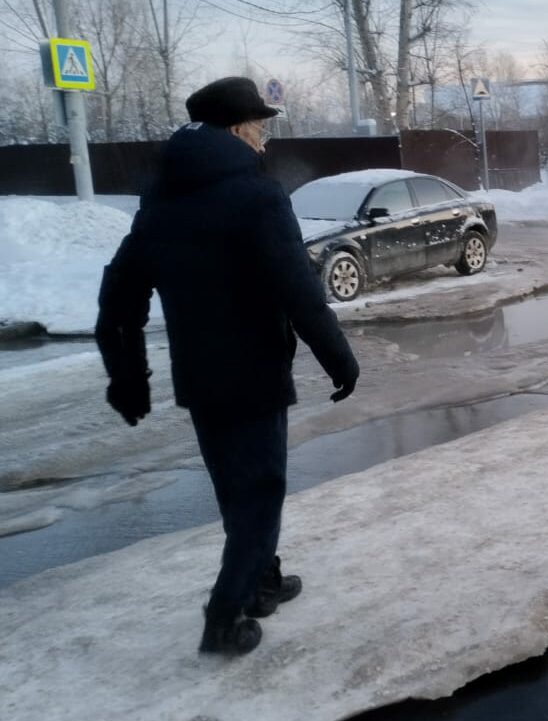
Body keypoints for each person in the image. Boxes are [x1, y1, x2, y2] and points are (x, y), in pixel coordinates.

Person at [95, 77, 360, 655]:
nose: (265, 140)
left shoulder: (161, 201)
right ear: (239, 130)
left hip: (199, 378)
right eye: (261, 128)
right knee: (259, 493)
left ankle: (263, 580)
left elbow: (119, 294)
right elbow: (300, 290)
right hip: (256, 374)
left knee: (234, 491)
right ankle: (226, 613)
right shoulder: (257, 196)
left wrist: (128, 375)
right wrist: (340, 359)